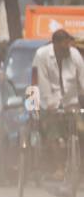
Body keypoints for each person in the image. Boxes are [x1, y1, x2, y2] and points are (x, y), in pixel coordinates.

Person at [30, 29, 84, 180]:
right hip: (50, 103)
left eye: (68, 45)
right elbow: (42, 81)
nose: (67, 48)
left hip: (71, 102)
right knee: (52, 132)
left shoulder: (74, 55)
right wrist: (51, 104)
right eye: (63, 46)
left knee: (81, 129)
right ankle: (59, 167)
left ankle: (80, 166)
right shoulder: (42, 55)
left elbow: (82, 78)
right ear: (55, 44)